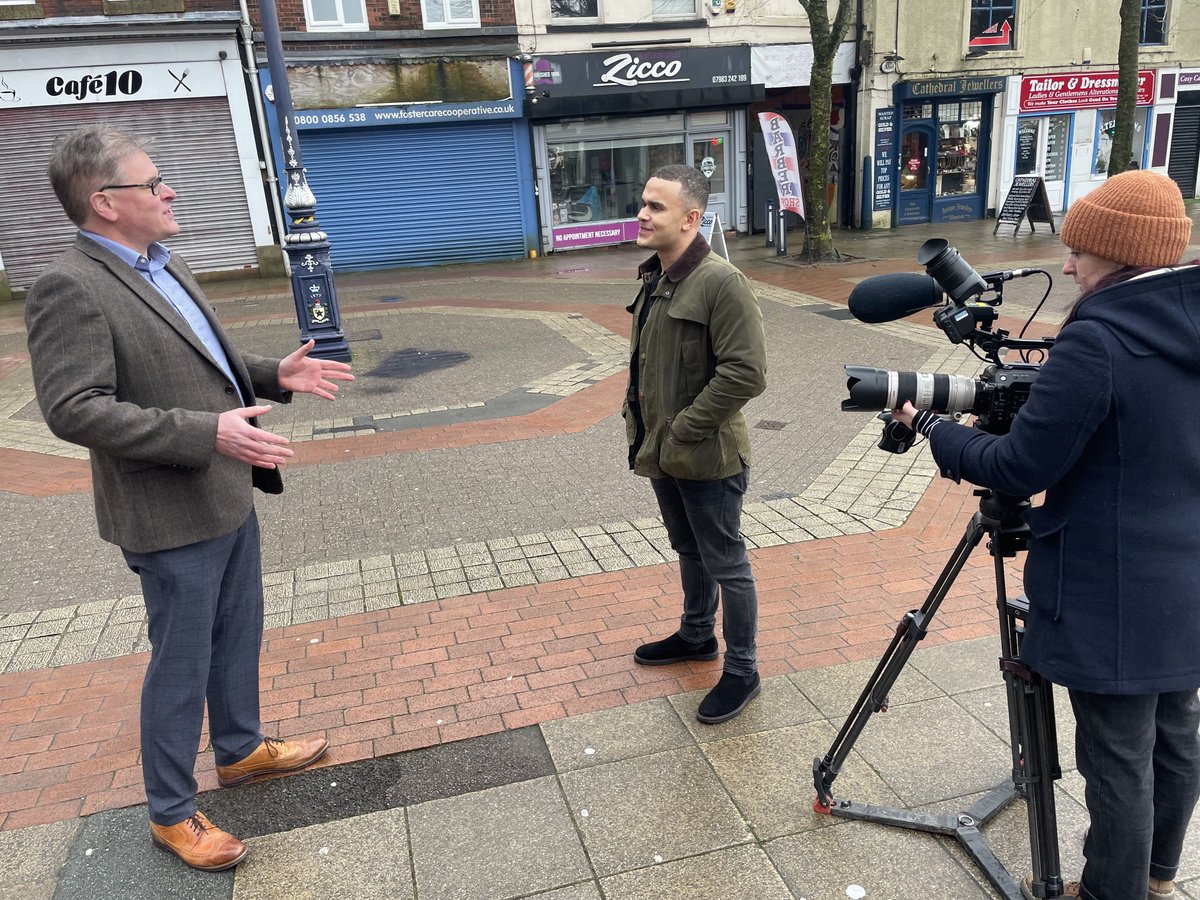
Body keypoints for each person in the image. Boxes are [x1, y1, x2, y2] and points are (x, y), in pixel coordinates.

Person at [25, 125, 354, 872]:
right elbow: (75, 407)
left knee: (238, 632)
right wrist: (209, 432)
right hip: (167, 513)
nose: (169, 191)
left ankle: (239, 750)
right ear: (106, 203)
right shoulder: (68, 286)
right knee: (179, 663)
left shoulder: (161, 264)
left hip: (224, 494)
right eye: (153, 183)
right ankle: (171, 812)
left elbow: (204, 360)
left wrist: (274, 375)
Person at [893, 170, 1200, 900]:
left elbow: (1020, 463)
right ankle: (1157, 877)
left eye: (1080, 253)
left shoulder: (1098, 339)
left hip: (1111, 586)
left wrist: (930, 427)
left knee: (1118, 758)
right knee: (1176, 736)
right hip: (1187, 577)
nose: (1067, 265)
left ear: (1120, 255)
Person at [623, 164, 767, 724]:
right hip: (664, 453)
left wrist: (683, 429)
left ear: (691, 218)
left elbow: (746, 373)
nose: (642, 214)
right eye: (643, 203)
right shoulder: (655, 279)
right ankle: (696, 635)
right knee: (689, 549)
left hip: (706, 455)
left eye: (656, 207)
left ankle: (743, 670)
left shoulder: (721, 282)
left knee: (727, 562)